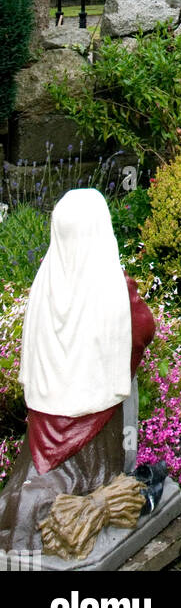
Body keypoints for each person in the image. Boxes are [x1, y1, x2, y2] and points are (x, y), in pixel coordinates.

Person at [0, 188, 155, 559]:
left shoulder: (43, 285)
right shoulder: (115, 287)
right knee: (68, 484)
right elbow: (144, 329)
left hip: (43, 427)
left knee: (33, 487)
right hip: (96, 429)